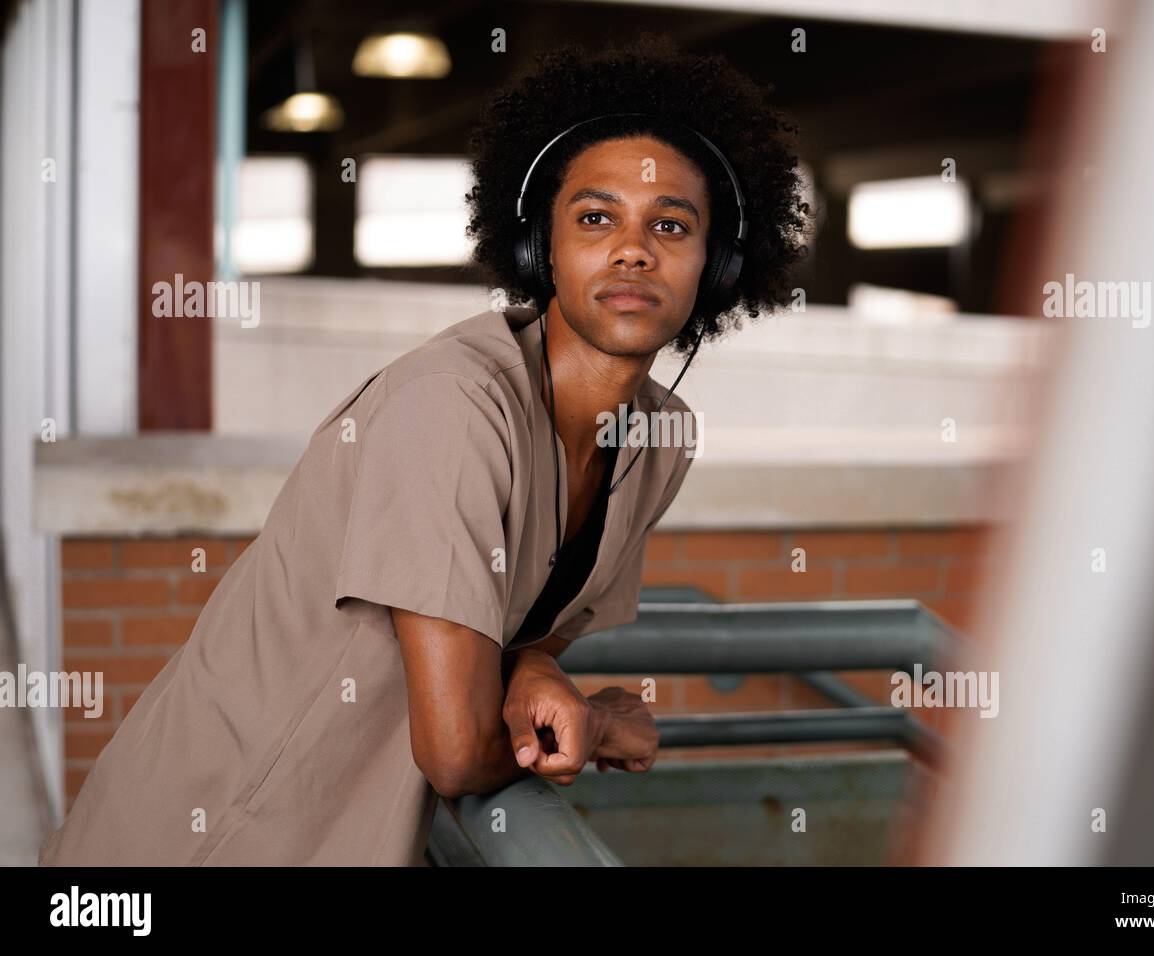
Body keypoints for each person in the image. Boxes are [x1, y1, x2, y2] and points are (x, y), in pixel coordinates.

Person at [38, 33, 810, 866]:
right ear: (537, 247)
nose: (634, 248)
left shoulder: (657, 439)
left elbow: (528, 621)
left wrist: (538, 672)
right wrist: (592, 725)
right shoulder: (449, 406)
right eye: (595, 217)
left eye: (672, 225)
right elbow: (453, 750)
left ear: (719, 266)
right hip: (204, 833)